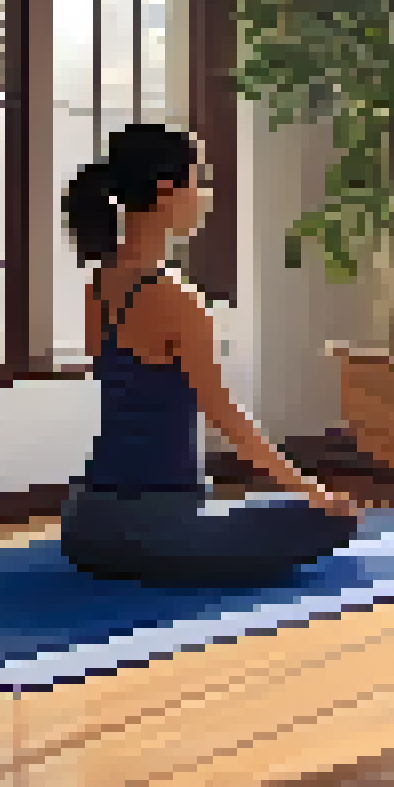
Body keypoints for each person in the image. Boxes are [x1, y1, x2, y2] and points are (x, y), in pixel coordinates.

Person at [57, 122, 364, 586]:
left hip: (86, 525)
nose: (206, 196)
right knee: (332, 521)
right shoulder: (175, 298)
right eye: (199, 181)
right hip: (162, 532)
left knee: (254, 514)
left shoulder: (97, 284)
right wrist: (315, 491)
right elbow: (227, 419)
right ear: (166, 192)